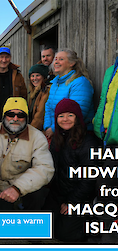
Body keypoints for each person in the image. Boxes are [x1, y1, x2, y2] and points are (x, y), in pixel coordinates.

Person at [0, 97, 54, 211]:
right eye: (10, 114)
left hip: (24, 188)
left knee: (38, 196)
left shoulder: (37, 137)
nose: (15, 118)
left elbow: (45, 168)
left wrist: (17, 188)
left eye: (20, 115)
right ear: (4, 116)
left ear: (26, 118)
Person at [43, 98, 99, 242]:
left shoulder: (88, 142)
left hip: (80, 197)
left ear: (77, 117)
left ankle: (91, 220)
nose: (65, 119)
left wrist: (72, 201)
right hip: (59, 193)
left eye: (70, 115)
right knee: (44, 228)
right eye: (61, 116)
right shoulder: (57, 139)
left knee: (65, 235)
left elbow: (89, 179)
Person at [93, 44, 118, 243]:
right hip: (109, 141)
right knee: (106, 188)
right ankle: (108, 237)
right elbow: (105, 100)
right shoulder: (111, 70)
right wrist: (98, 124)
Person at [43, 48, 94, 140]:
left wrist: (53, 129)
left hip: (77, 135)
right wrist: (47, 127)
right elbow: (48, 106)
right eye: (56, 59)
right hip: (59, 133)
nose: (57, 62)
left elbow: (78, 112)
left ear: (71, 63)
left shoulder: (80, 83)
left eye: (61, 59)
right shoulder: (55, 83)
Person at [28, 64, 50, 131]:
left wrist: (30, 131)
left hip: (40, 130)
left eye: (38, 75)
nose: (34, 78)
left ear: (43, 77)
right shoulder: (32, 92)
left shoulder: (46, 91)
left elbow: (40, 114)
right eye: (32, 76)